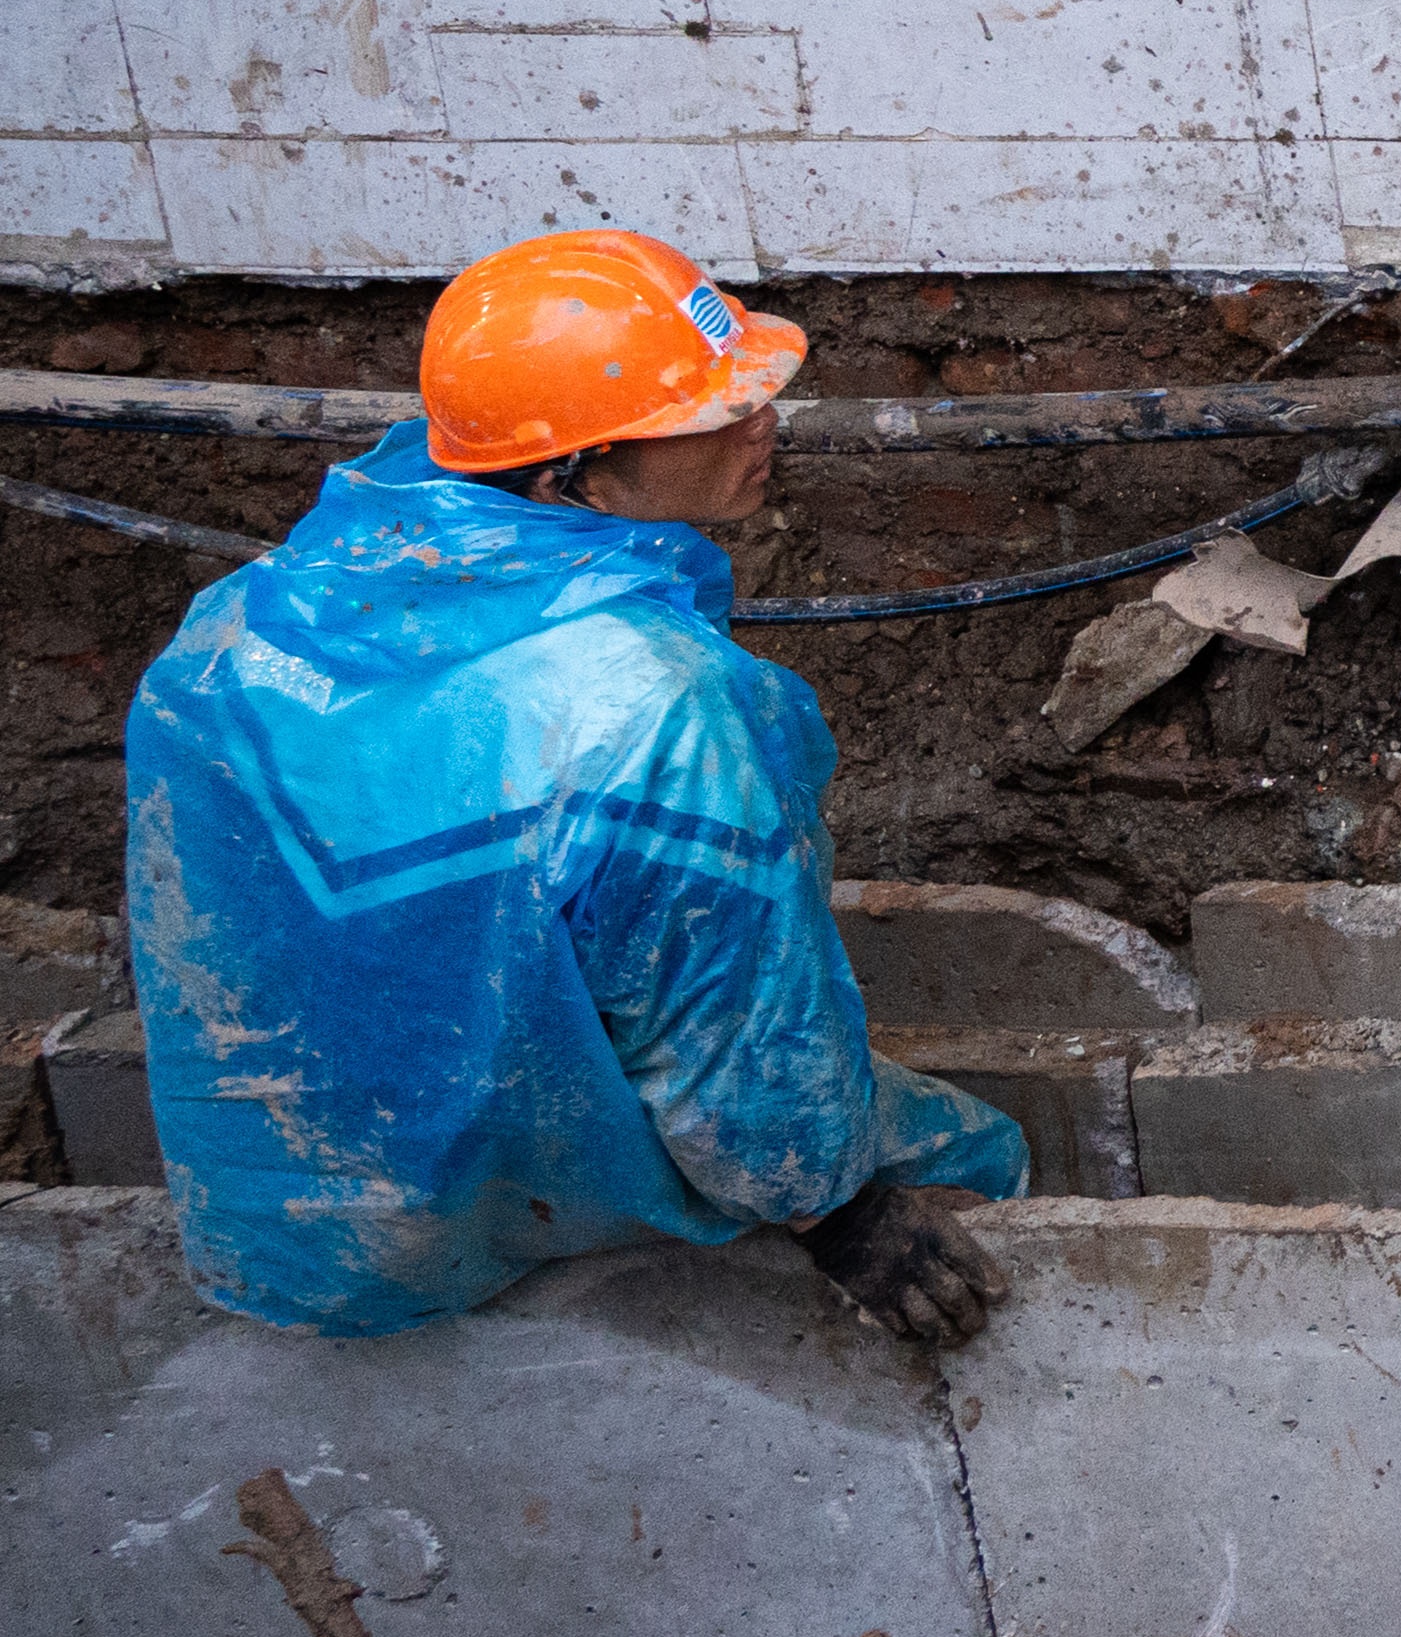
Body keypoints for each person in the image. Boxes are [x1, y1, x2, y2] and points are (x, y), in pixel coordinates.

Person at [122, 229, 1022, 1342]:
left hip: (282, 1201)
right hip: (493, 1189)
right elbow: (743, 1065)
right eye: (709, 411)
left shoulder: (232, 629)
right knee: (988, 1153)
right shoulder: (655, 707)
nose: (760, 421)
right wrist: (837, 1211)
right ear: (570, 471)